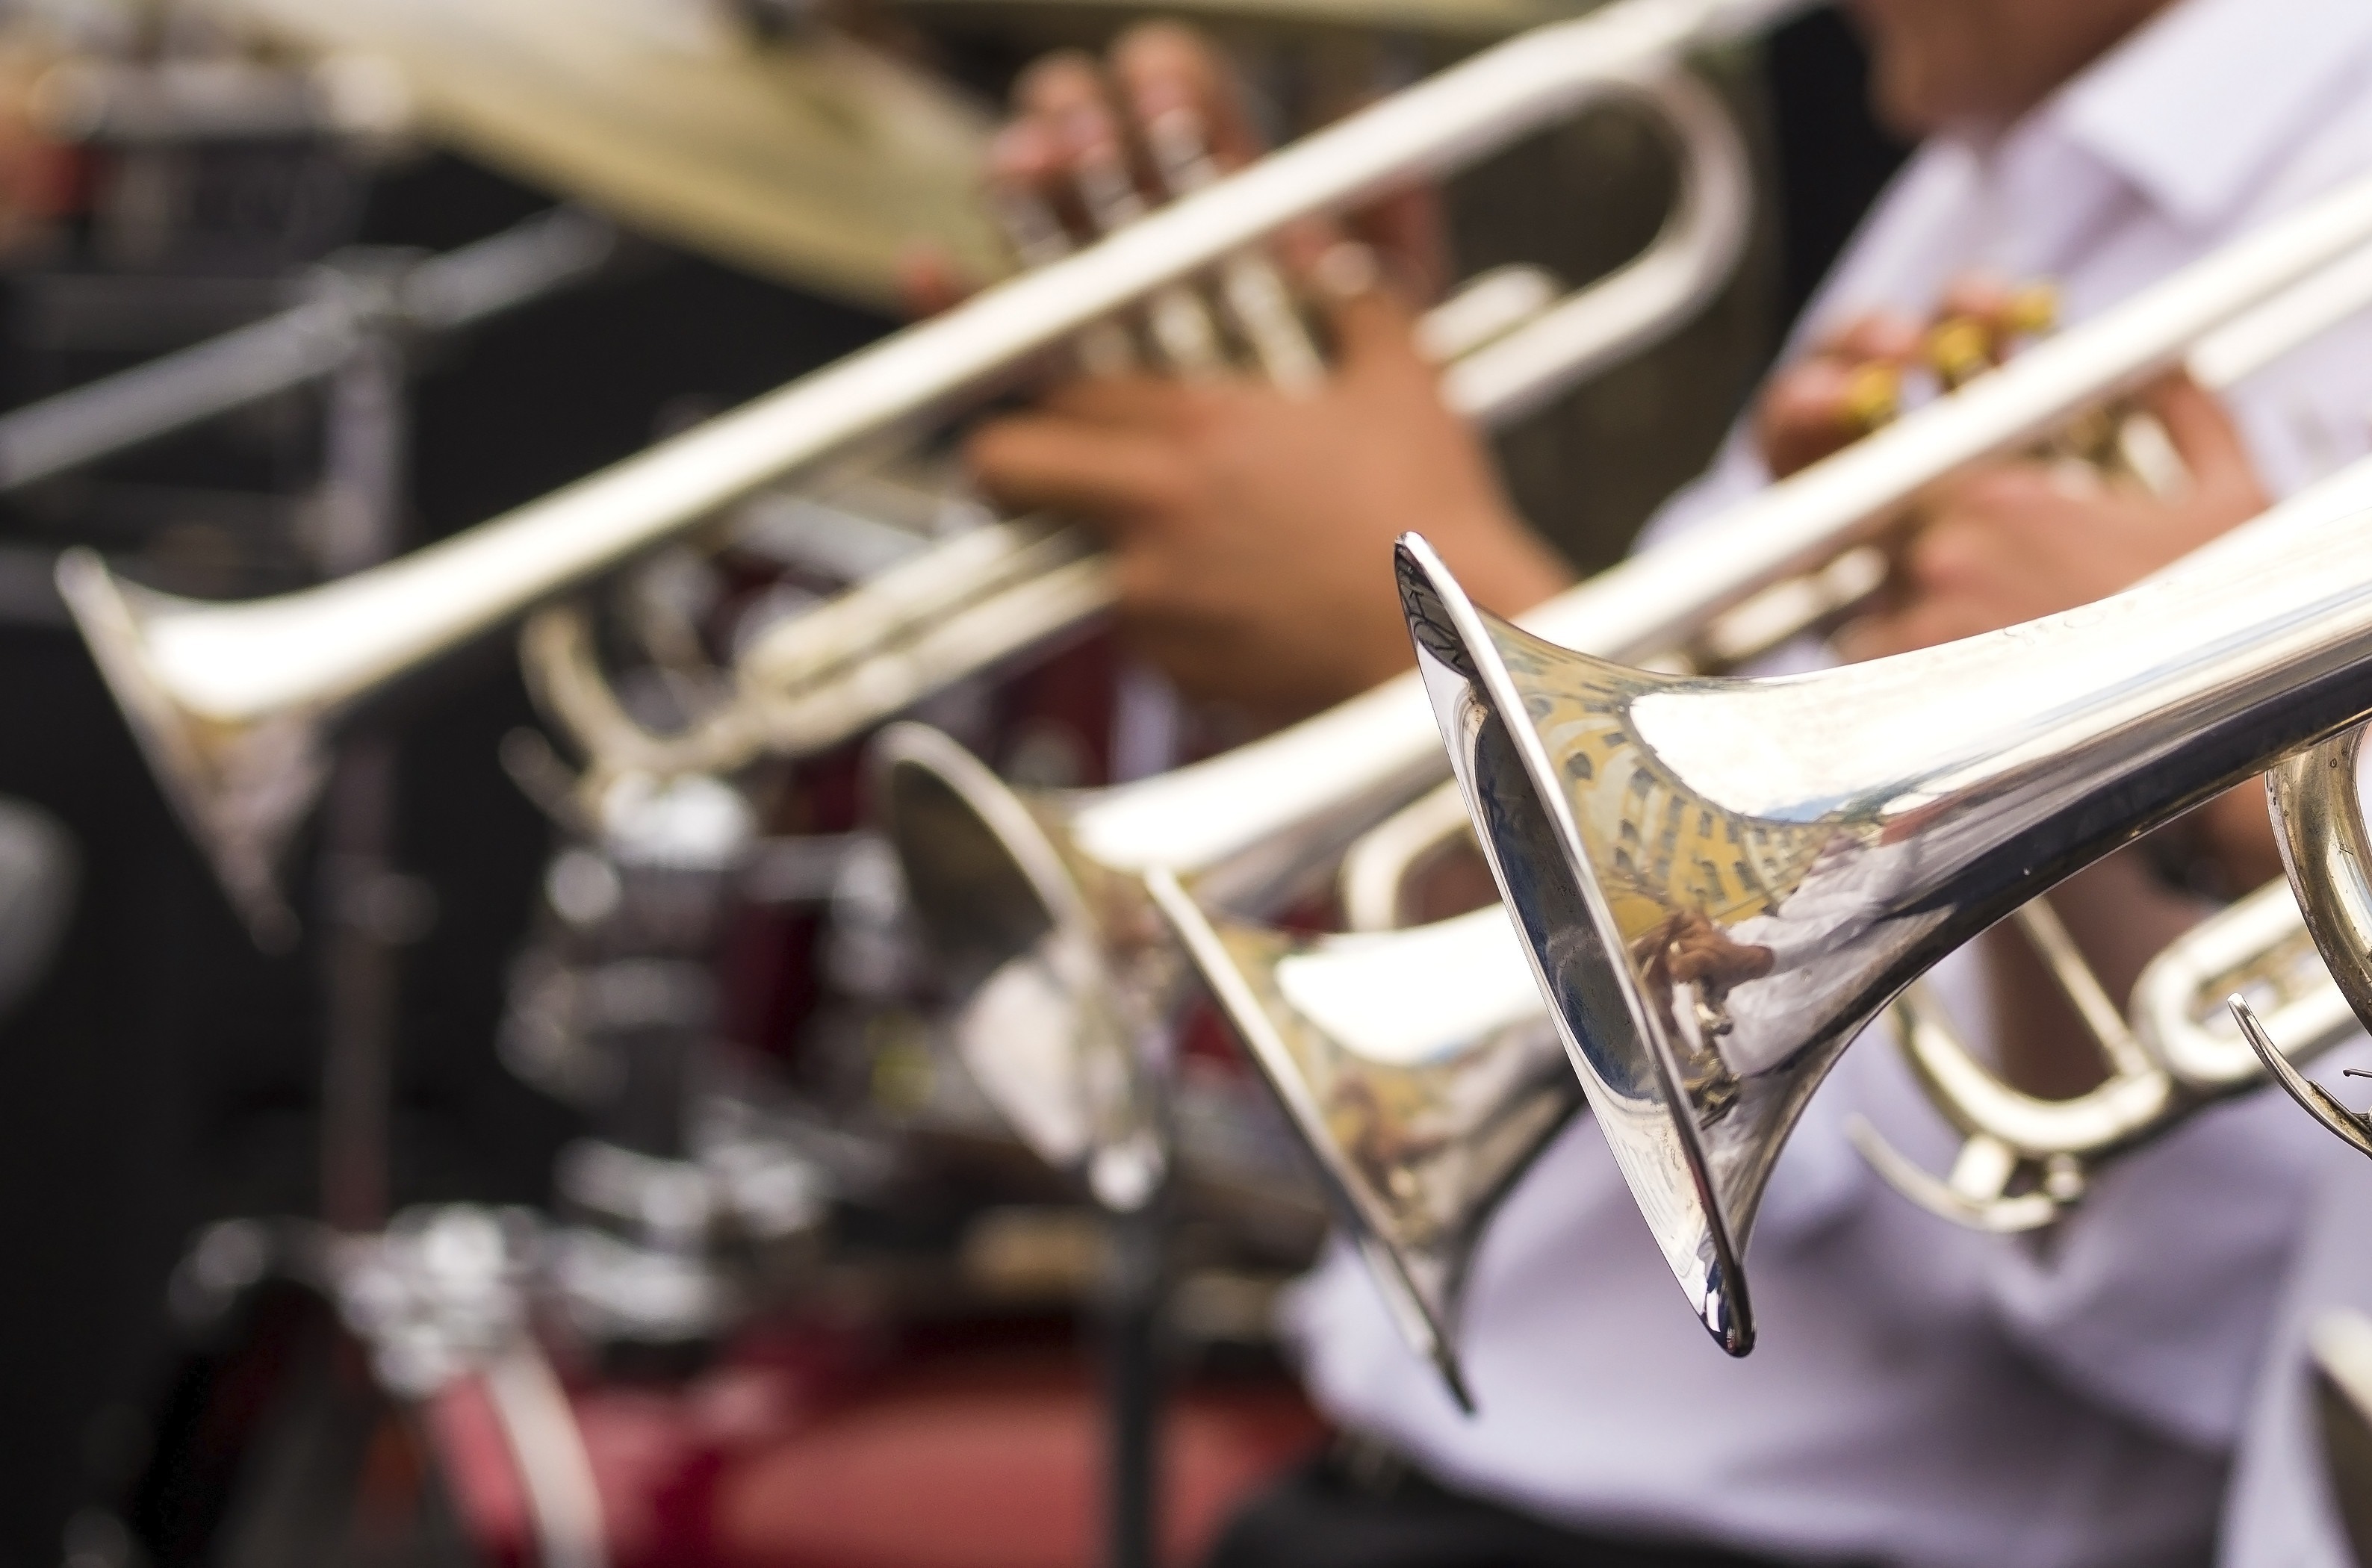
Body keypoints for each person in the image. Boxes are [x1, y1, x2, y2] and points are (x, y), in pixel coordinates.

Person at [964, 0, 2372, 1564]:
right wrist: (1306, 420)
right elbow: (1629, 955)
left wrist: (1406, 619)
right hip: (1435, 1464)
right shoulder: (1999, 167)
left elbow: (2175, 1289)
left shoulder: (2320, 196)